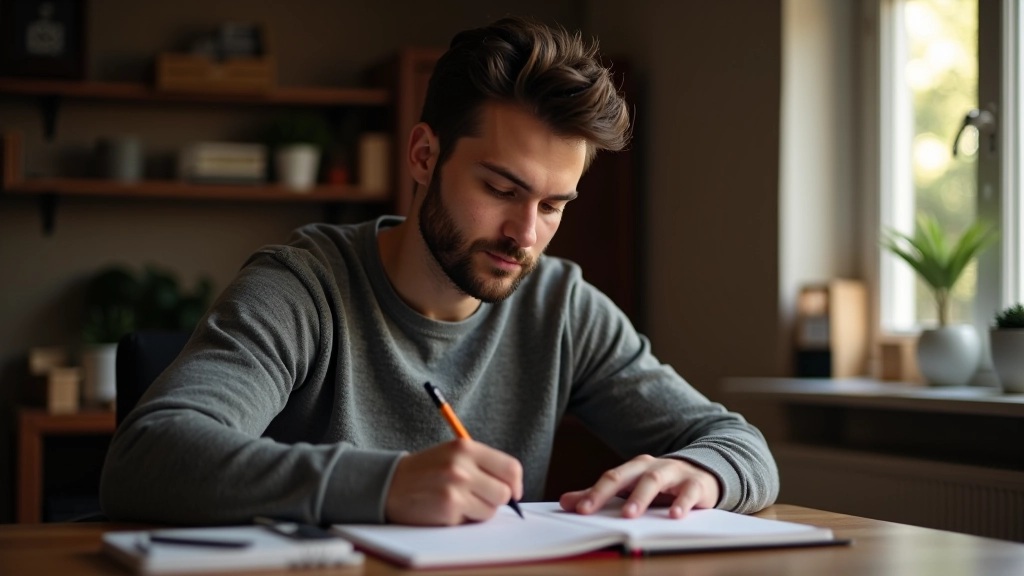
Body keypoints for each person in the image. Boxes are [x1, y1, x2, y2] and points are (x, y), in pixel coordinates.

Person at [100, 17, 778, 527]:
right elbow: (149, 457)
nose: (526, 233)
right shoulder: (303, 286)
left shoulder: (560, 306)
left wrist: (700, 471)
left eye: (552, 205)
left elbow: (741, 445)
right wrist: (387, 486)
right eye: (502, 190)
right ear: (424, 155)